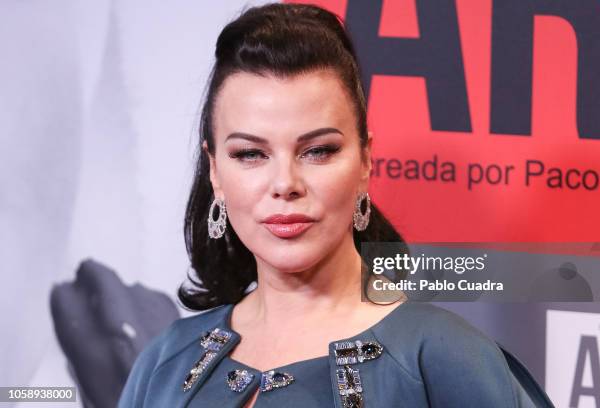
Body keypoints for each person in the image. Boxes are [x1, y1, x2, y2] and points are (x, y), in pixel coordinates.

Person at [118, 3, 553, 407]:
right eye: (250, 154)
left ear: (364, 161)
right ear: (215, 170)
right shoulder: (165, 362)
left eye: (318, 151)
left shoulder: (446, 360)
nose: (285, 184)